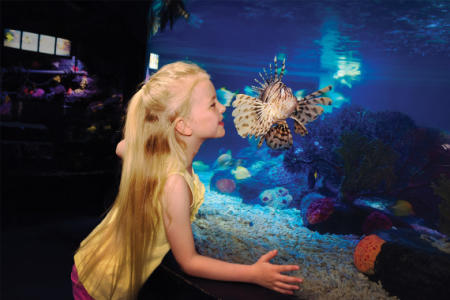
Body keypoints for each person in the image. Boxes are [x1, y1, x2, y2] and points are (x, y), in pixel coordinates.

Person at [71, 61, 303, 299]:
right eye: (213, 104)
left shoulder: (160, 157)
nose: (223, 107)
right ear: (182, 125)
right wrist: (253, 274)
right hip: (103, 283)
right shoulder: (175, 184)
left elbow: (122, 146)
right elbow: (189, 262)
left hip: (91, 257)